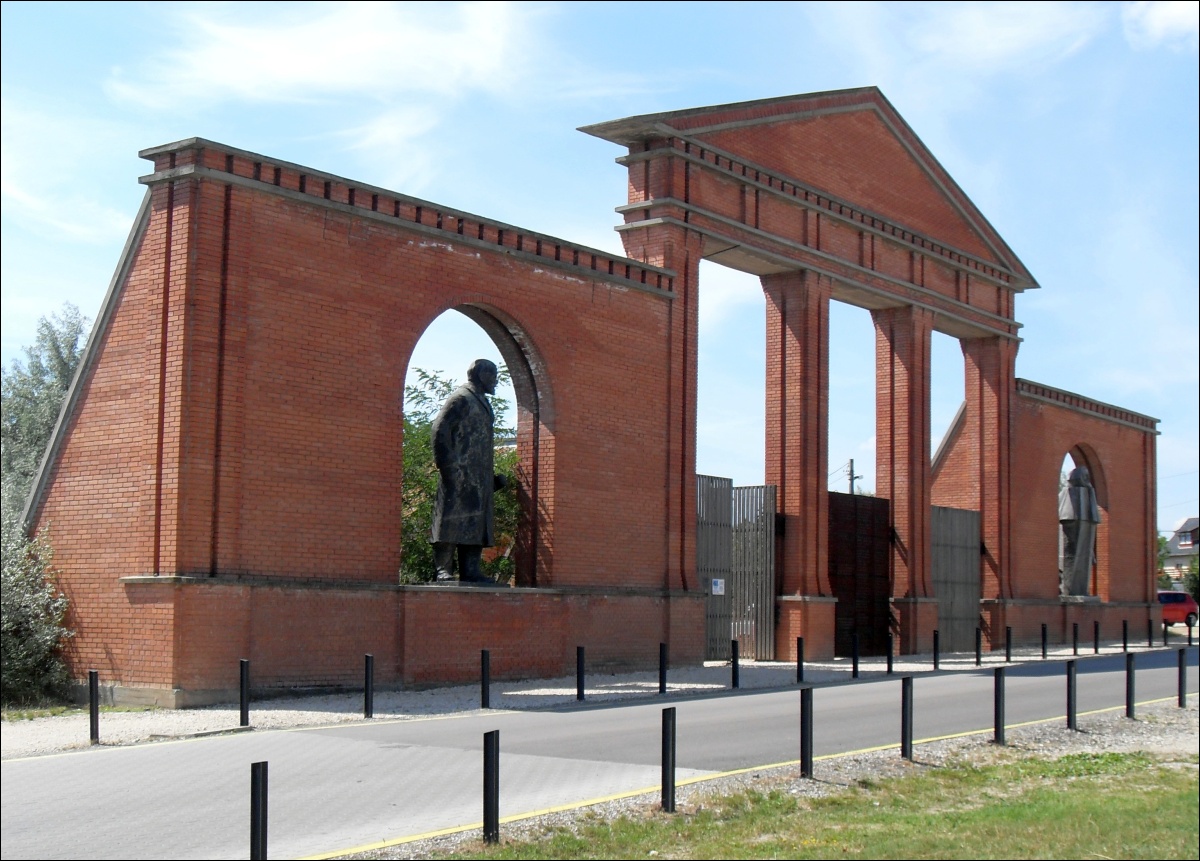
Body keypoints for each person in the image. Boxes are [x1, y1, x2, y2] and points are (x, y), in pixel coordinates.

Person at [429, 359, 506, 584]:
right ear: (481, 374)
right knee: (450, 520)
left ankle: (471, 570)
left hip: (478, 477)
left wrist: (490, 478)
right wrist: (448, 468)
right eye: (493, 375)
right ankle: (443, 570)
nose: (495, 381)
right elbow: (439, 429)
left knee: (476, 523)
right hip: (458, 473)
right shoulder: (461, 398)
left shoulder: (482, 402)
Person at [1059, 465, 1100, 597]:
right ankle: (1069, 591)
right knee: (1071, 561)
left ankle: (1082, 590)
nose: (1087, 479)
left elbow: (1093, 518)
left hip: (1085, 531)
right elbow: (1065, 517)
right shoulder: (1067, 493)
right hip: (1072, 534)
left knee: (1085, 562)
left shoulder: (1089, 493)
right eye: (1085, 476)